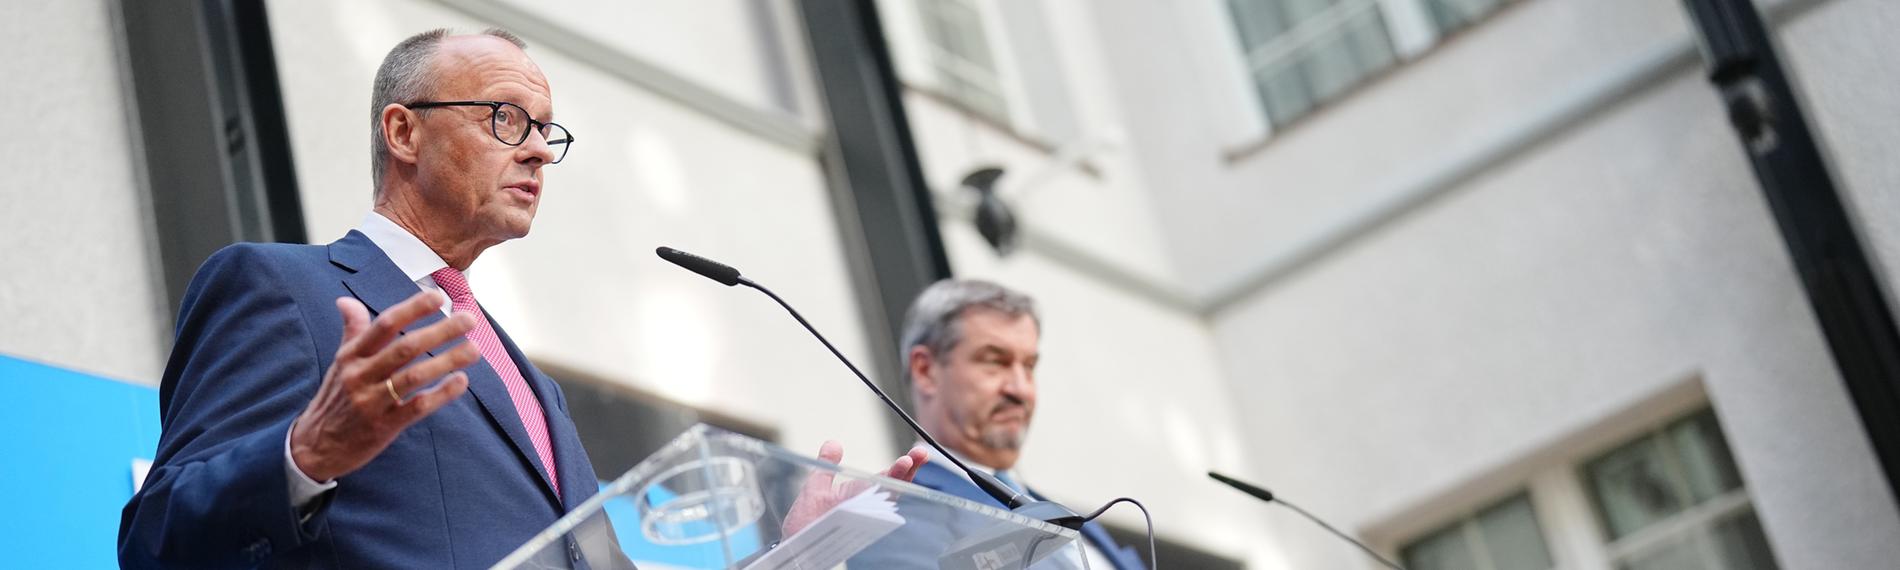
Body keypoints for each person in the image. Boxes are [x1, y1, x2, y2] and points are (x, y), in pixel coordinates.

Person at [117, 28, 922, 568]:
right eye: (507, 118)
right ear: (404, 134)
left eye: (546, 129)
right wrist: (307, 453)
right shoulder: (282, 288)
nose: (538, 149)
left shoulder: (535, 389)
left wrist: (787, 558)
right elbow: (157, 538)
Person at [853, 279, 1148, 569]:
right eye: (995, 361)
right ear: (926, 370)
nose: (1021, 389)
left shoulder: (1065, 513)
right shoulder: (896, 515)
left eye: (1029, 366)